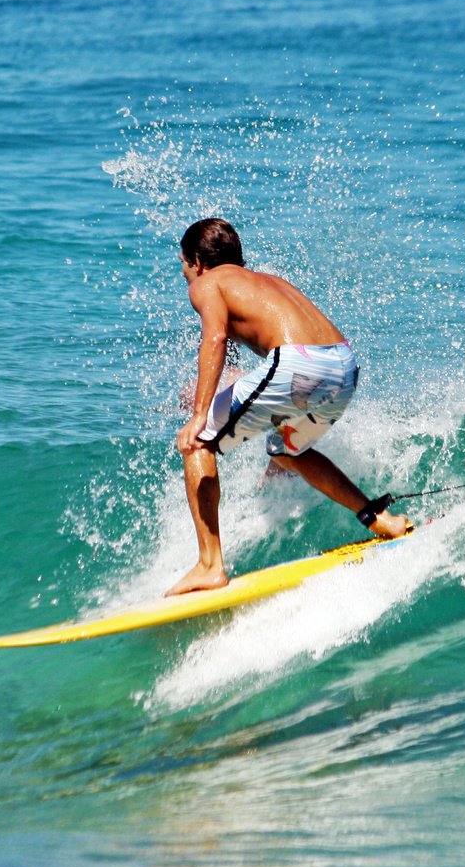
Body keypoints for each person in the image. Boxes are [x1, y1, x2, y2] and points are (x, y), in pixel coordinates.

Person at [167, 218, 409, 596]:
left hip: (299, 365)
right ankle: (381, 519)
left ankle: (210, 565)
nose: (185, 276)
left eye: (183, 266)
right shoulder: (263, 282)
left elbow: (213, 338)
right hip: (343, 367)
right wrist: (213, 396)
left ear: (197, 262)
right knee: (286, 450)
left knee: (199, 442)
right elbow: (248, 351)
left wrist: (200, 416)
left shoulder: (206, 284)